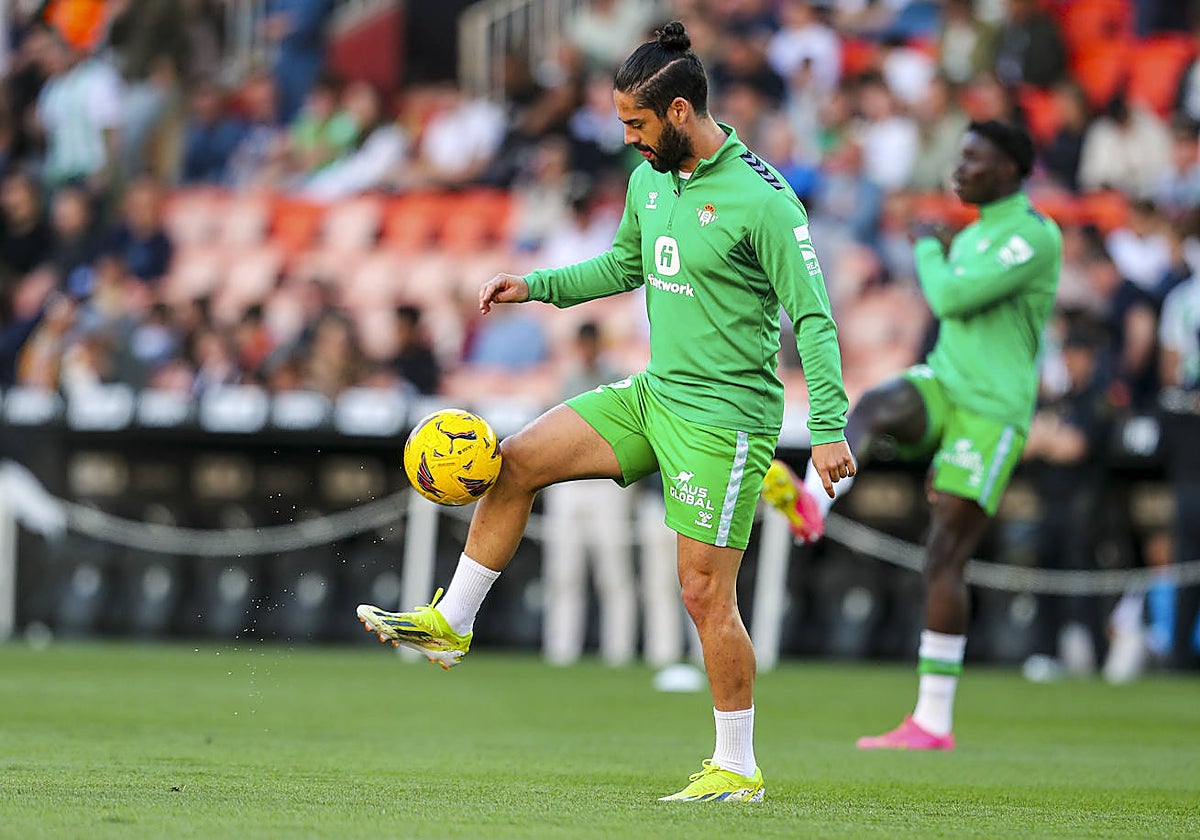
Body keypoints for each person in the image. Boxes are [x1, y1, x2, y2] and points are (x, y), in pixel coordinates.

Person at [356, 21, 855, 802]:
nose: (626, 138)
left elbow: (816, 318)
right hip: (655, 392)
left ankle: (737, 766)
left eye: (636, 123)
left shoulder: (763, 200)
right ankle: (452, 623)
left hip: (725, 418)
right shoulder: (650, 178)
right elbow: (626, 264)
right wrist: (537, 285)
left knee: (701, 593)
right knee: (512, 461)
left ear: (681, 112)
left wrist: (827, 425)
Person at [794, 120, 1061, 749]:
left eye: (975, 159)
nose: (959, 169)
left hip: (991, 411)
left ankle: (932, 721)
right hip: (945, 383)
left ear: (1012, 170)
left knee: (944, 556)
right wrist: (937, 247)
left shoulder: (1033, 235)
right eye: (960, 156)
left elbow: (952, 299)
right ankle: (811, 505)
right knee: (878, 403)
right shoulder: (971, 235)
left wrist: (925, 248)